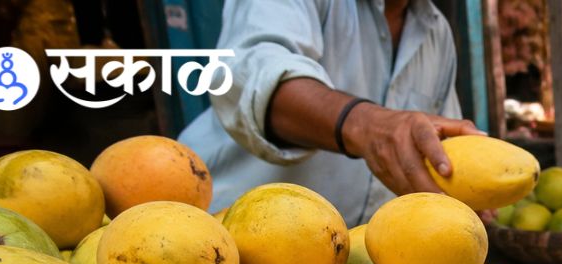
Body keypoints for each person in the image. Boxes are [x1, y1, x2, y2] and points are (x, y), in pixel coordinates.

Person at [178, 0, 481, 226]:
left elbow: (437, 151)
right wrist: (366, 125)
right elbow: (250, 74)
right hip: (225, 240)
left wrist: (465, 188)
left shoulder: (436, 32)